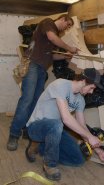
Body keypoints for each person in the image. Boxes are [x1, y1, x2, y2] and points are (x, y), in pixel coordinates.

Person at [7, 14, 78, 151]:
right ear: (63, 19)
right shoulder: (48, 23)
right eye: (67, 25)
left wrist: (65, 56)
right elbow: (52, 37)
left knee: (36, 101)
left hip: (41, 69)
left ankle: (28, 130)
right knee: (27, 99)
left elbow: (51, 56)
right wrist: (69, 48)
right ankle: (14, 134)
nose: (66, 28)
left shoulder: (54, 34)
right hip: (32, 64)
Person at [25, 68, 104, 181]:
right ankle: (49, 164)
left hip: (55, 131)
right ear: (84, 81)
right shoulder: (61, 84)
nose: (91, 92)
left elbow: (82, 126)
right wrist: (90, 137)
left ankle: (41, 147)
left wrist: (98, 150)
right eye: (91, 88)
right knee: (56, 125)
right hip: (36, 127)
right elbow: (66, 118)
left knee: (78, 159)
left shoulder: (80, 100)